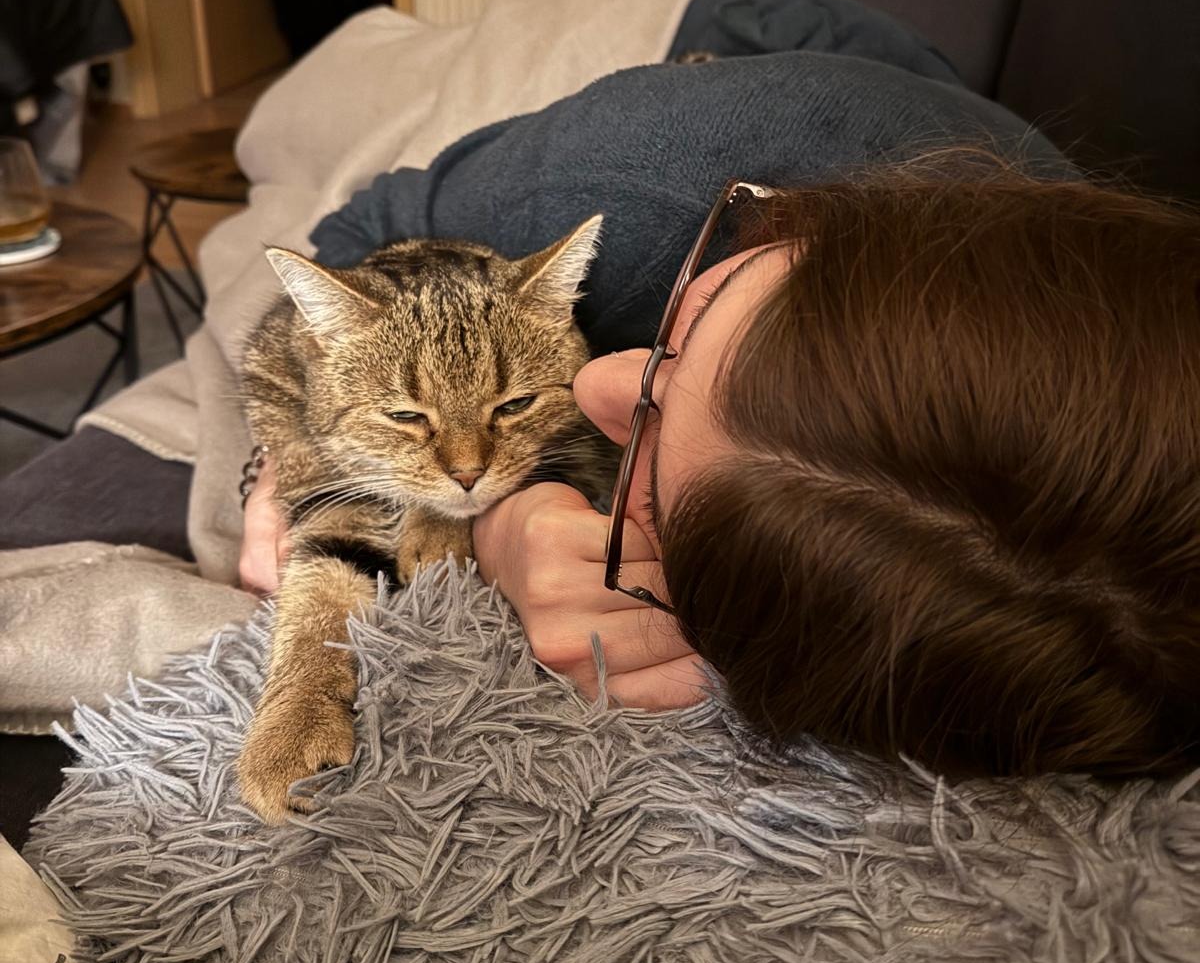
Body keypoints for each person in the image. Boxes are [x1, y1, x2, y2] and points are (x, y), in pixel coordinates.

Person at [239, 51, 1200, 780]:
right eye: (687, 330)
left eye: (646, 470)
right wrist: (284, 468)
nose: (601, 387)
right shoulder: (631, 186)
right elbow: (354, 236)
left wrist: (507, 523)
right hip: (744, 60)